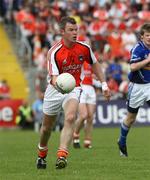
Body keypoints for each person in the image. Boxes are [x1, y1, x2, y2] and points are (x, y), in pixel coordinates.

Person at [36, 16, 111, 170]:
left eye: (76, 29)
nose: (75, 33)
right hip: (55, 89)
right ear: (62, 32)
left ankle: (62, 155)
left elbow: (95, 64)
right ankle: (42, 153)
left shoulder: (84, 47)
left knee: (70, 117)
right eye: (71, 30)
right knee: (46, 128)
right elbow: (55, 78)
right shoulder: (54, 52)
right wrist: (62, 84)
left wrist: (104, 84)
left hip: (74, 87)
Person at [117, 23, 150, 157]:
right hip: (136, 87)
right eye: (147, 35)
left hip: (149, 86)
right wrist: (147, 60)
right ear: (142, 37)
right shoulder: (138, 49)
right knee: (131, 118)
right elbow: (132, 67)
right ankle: (122, 141)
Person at [73, 61, 97, 149]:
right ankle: (75, 133)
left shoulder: (91, 60)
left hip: (90, 88)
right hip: (81, 87)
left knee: (90, 117)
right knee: (83, 115)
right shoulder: (79, 59)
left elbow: (95, 73)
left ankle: (87, 140)